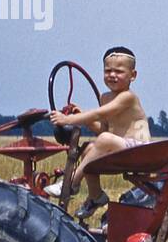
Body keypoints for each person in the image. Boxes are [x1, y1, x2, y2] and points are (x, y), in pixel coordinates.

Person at [44, 46, 152, 219]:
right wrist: (81, 117)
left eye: (119, 71)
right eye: (108, 70)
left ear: (133, 75)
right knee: (88, 149)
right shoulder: (105, 97)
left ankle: (70, 182)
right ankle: (96, 197)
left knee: (103, 140)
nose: (112, 75)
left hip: (138, 149)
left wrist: (67, 120)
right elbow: (103, 128)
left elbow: (100, 114)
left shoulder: (128, 97)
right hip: (119, 146)